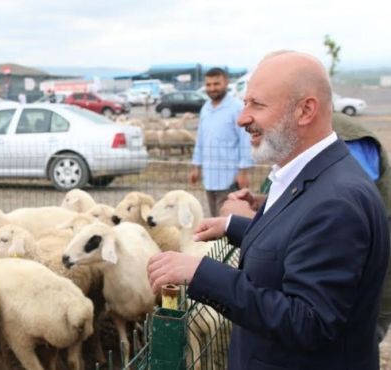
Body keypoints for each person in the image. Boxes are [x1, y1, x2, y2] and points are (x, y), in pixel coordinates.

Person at [147, 51, 389, 369]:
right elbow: (298, 242)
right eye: (245, 103)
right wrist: (233, 226)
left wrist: (199, 273)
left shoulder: (336, 202)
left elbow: (308, 322)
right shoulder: (309, 175)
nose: (241, 118)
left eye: (256, 105)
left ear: (305, 110)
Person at [220, 112, 391, 344]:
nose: (245, 119)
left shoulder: (348, 145)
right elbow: (315, 195)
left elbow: (340, 210)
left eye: (261, 105)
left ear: (305, 110)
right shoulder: (314, 141)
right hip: (345, 283)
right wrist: (263, 202)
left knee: (350, 342)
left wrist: (250, 219)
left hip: (364, 285)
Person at [190, 67, 253, 216]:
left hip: (229, 179)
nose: (212, 88)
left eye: (216, 84)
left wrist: (243, 172)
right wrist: (196, 167)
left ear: (226, 82)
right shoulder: (205, 108)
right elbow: (201, 139)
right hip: (209, 177)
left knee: (226, 224)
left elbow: (245, 140)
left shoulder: (237, 108)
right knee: (214, 219)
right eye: (209, 84)